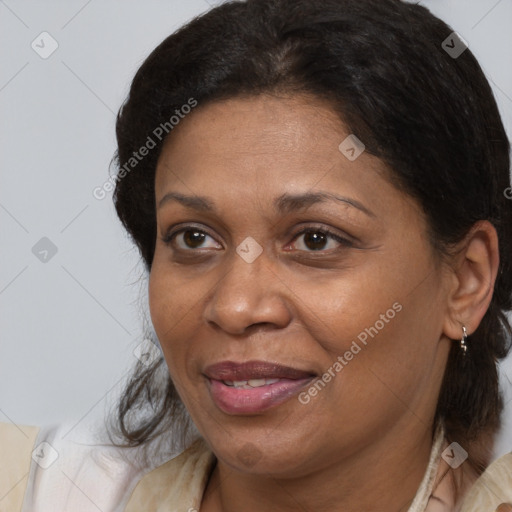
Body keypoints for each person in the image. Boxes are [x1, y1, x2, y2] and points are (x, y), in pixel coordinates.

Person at [2, 0, 512, 510]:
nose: (235, 307)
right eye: (194, 238)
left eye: (316, 240)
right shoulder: (38, 492)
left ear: (465, 282)